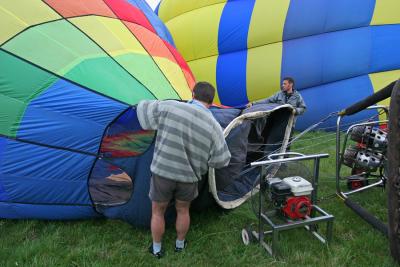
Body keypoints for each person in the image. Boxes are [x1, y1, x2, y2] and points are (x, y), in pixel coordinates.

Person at [137, 81, 231, 259]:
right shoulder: (214, 125)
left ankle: (157, 249)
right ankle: (179, 245)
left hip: (162, 173)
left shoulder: (170, 107)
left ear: (193, 94)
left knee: (157, 211)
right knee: (183, 210)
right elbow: (222, 160)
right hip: (189, 177)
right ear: (211, 102)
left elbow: (142, 110)